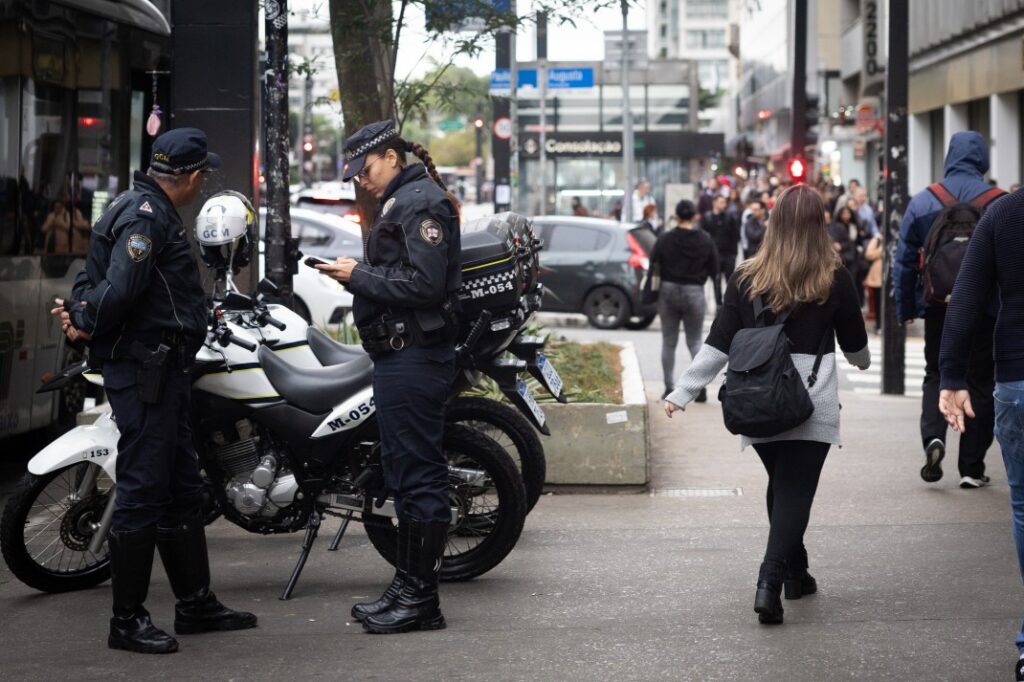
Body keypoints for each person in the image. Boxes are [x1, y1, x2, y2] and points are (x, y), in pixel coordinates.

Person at [51, 128, 257, 654]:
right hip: (147, 375)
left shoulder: (131, 206)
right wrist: (85, 320)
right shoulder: (146, 217)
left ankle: (196, 604)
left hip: (164, 374)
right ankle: (127, 620)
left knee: (183, 488)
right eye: (202, 174)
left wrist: (80, 314)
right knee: (143, 492)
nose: (202, 181)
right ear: (189, 177)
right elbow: (116, 289)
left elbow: (86, 278)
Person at [664, 184, 870, 625]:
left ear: (773, 223)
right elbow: (855, 344)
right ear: (819, 226)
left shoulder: (746, 276)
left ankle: (797, 572)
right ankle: (769, 582)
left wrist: (682, 392)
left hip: (756, 398)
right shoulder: (833, 276)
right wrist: (862, 360)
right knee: (795, 489)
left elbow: (718, 344)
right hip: (809, 401)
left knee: (782, 484)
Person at [316, 120, 460, 635]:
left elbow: (425, 283)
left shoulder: (420, 203)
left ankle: (421, 600)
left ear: (392, 157)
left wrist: (357, 275)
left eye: (367, 168)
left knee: (419, 477)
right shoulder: (404, 200)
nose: (362, 180)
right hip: (400, 356)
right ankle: (408, 585)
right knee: (403, 474)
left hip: (415, 356)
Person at [937, 188, 1024, 681]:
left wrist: (952, 377)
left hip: (1017, 376)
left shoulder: (1005, 214)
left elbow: (966, 294)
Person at [893, 131, 1005, 488]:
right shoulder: (1000, 202)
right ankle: (971, 467)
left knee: (936, 373)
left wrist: (905, 306)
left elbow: (904, 259)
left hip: (939, 305)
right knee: (981, 381)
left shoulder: (924, 201)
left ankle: (934, 438)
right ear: (982, 159)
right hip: (986, 307)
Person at [649, 199, 717, 401]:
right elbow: (715, 269)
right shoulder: (705, 239)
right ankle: (699, 388)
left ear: (676, 216)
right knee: (695, 341)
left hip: (668, 291)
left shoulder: (665, 238)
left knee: (669, 342)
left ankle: (669, 387)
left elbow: (653, 263)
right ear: (695, 216)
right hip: (694, 292)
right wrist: (719, 297)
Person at [701, 194, 740, 308]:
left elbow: (735, 236)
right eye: (721, 202)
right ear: (715, 203)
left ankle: (728, 304)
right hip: (714, 255)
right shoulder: (707, 217)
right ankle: (718, 304)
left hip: (728, 254)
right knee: (716, 280)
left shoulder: (730, 217)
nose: (724, 205)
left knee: (730, 281)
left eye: (725, 202)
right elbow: (703, 236)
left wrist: (734, 254)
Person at [863, 232, 884, 333]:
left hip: (891, 276)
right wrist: (883, 249)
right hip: (877, 278)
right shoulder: (878, 240)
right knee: (878, 303)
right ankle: (879, 324)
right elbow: (868, 254)